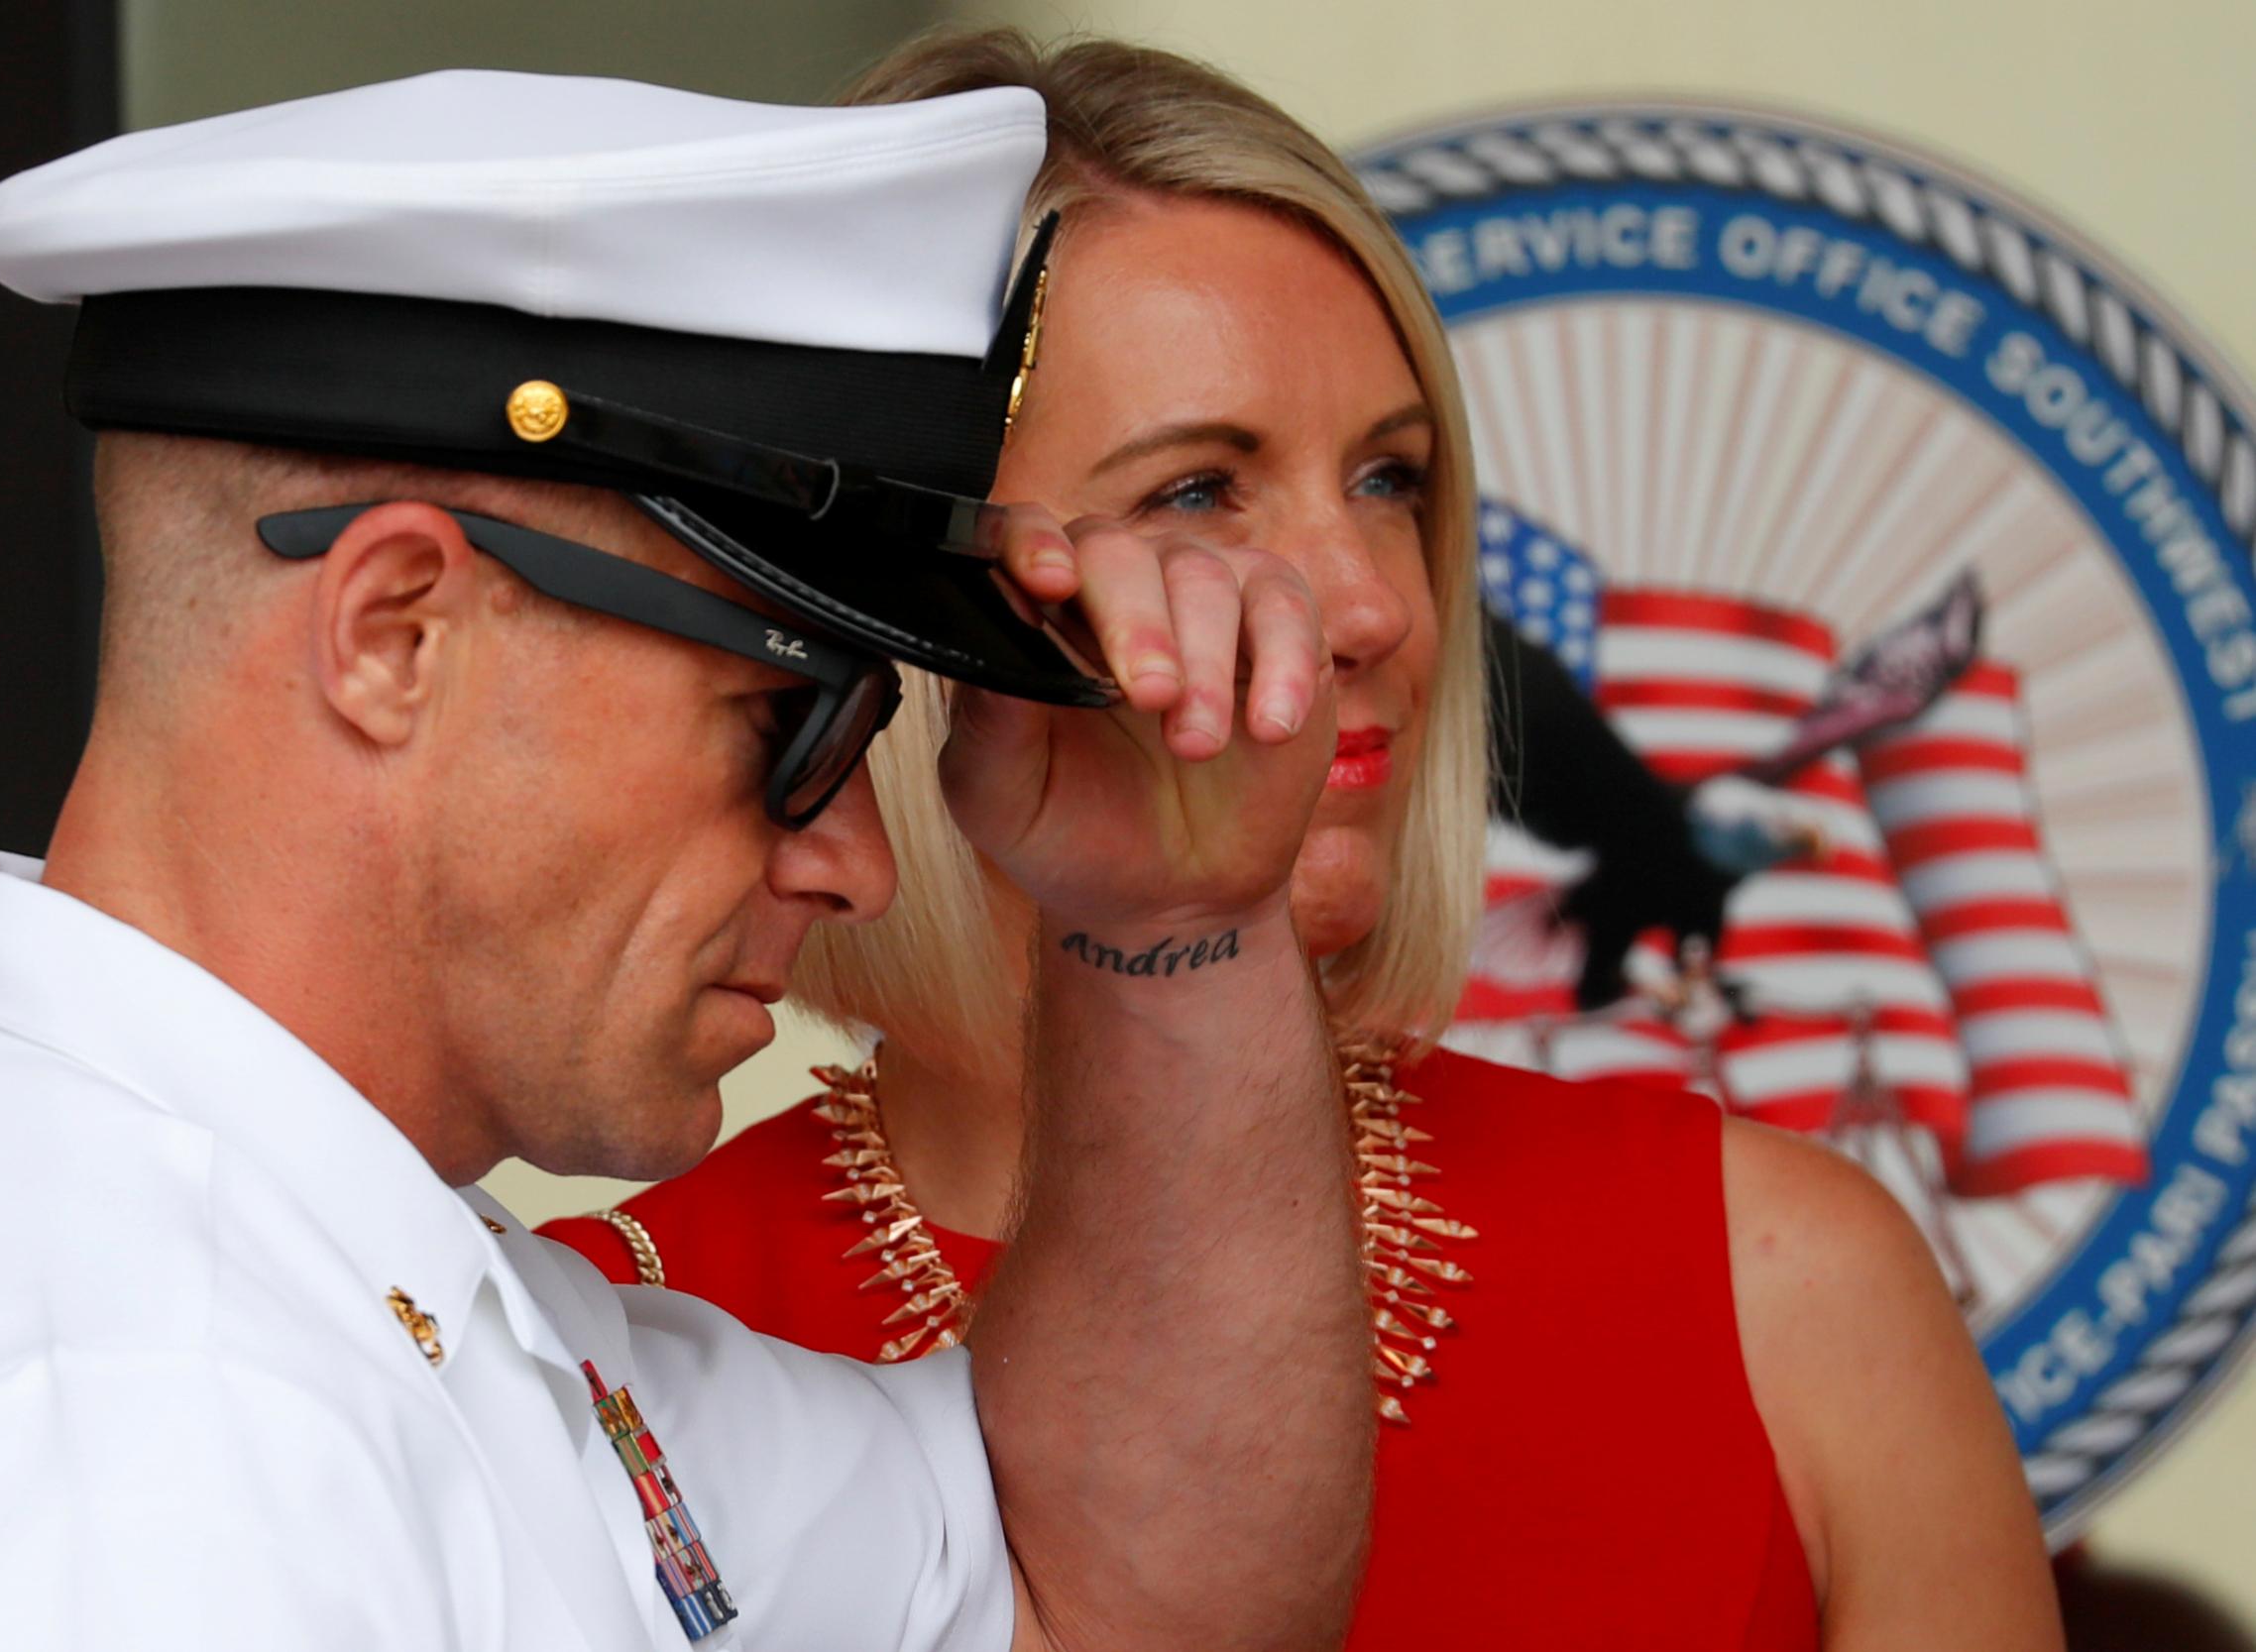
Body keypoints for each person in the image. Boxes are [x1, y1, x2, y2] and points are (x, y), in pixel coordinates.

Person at [0, 69, 1379, 1652]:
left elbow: (1104, 1590)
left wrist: (1176, 918)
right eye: (793, 715)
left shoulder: (316, 1256)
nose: (858, 866)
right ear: (398, 633)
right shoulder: (127, 1434)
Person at [543, 33, 2065, 1651]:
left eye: (1393, 480)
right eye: (1199, 493)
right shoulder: (593, 1349)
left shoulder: (1776, 1281)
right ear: (890, 602)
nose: (1378, 605)